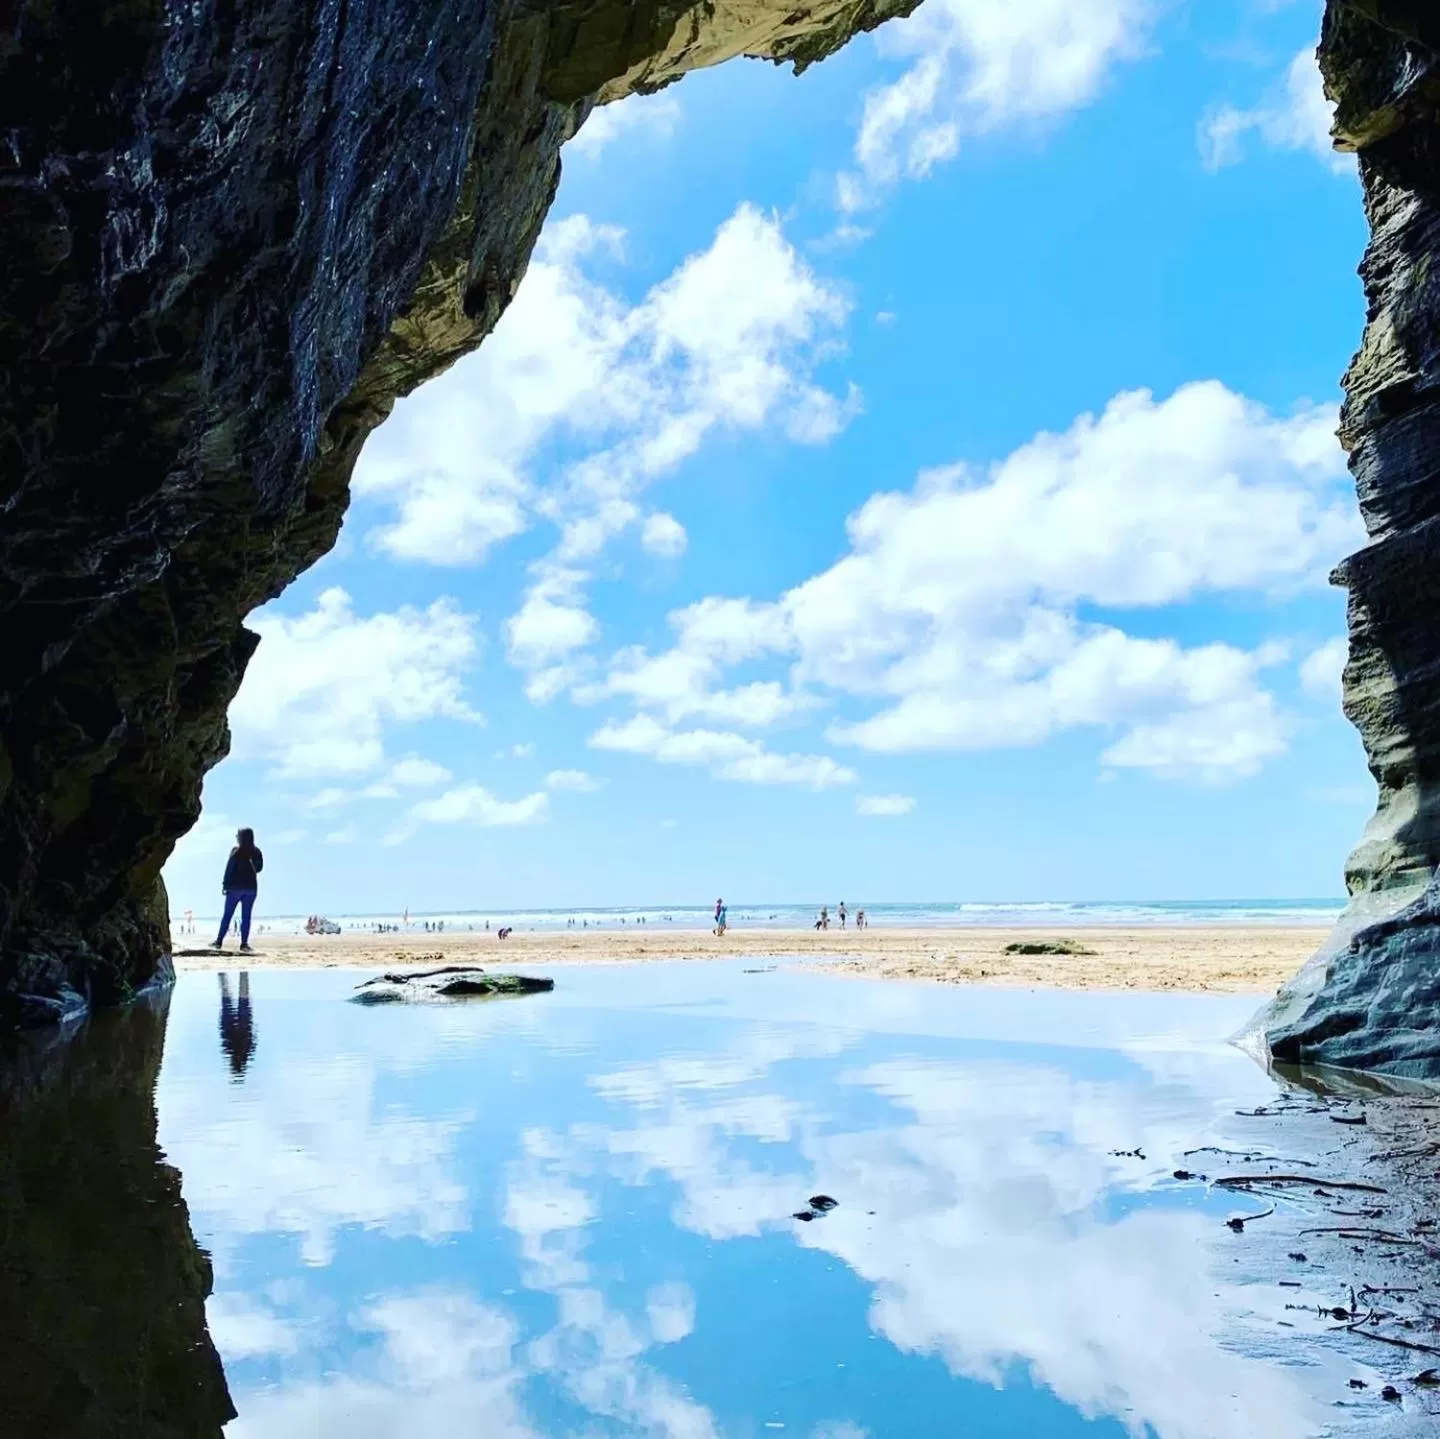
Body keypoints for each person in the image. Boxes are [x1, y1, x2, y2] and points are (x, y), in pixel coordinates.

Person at [214, 828, 263, 952]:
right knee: (246, 916)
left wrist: (225, 885)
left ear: (242, 837)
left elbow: (229, 869)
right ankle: (244, 943)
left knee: (227, 915)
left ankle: (219, 941)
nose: (236, 837)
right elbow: (259, 869)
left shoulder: (236, 851)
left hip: (235, 888)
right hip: (251, 888)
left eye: (238, 835)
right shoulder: (256, 852)